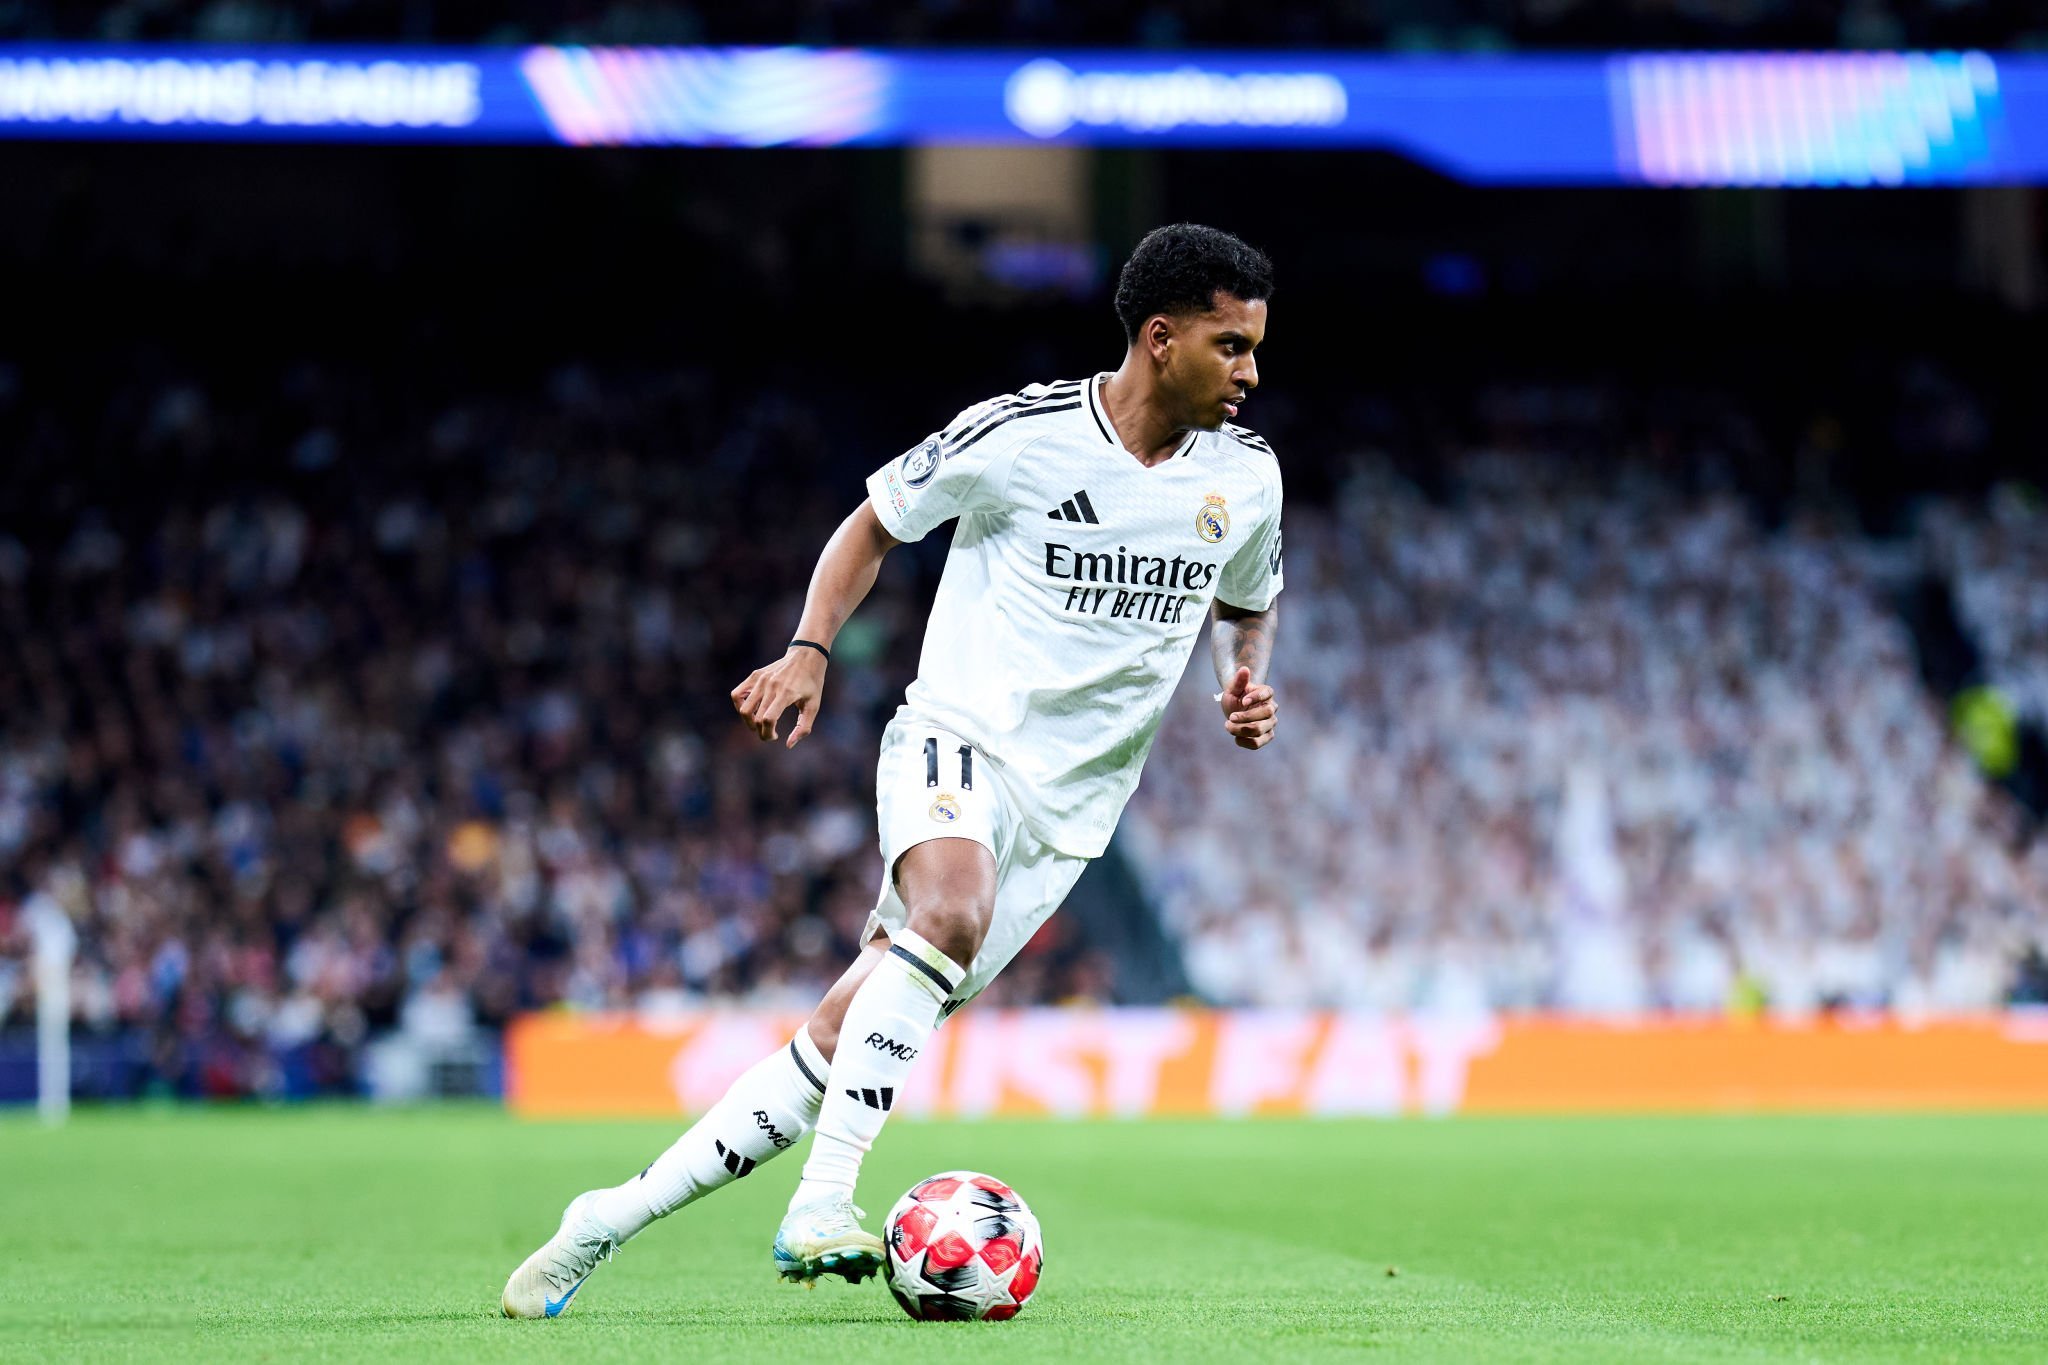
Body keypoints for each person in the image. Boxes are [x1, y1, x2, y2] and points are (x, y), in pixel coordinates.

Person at [502, 222, 1286, 1318]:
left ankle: (608, 1217)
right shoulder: (1021, 435)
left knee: (840, 1037)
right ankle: (823, 1201)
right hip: (958, 738)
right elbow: (872, 524)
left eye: (1253, 349)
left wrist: (1242, 678)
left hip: (1071, 815)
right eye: (1230, 346)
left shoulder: (1247, 478)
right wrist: (808, 649)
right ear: (1161, 339)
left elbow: (1246, 600)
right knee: (950, 910)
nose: (1250, 373)